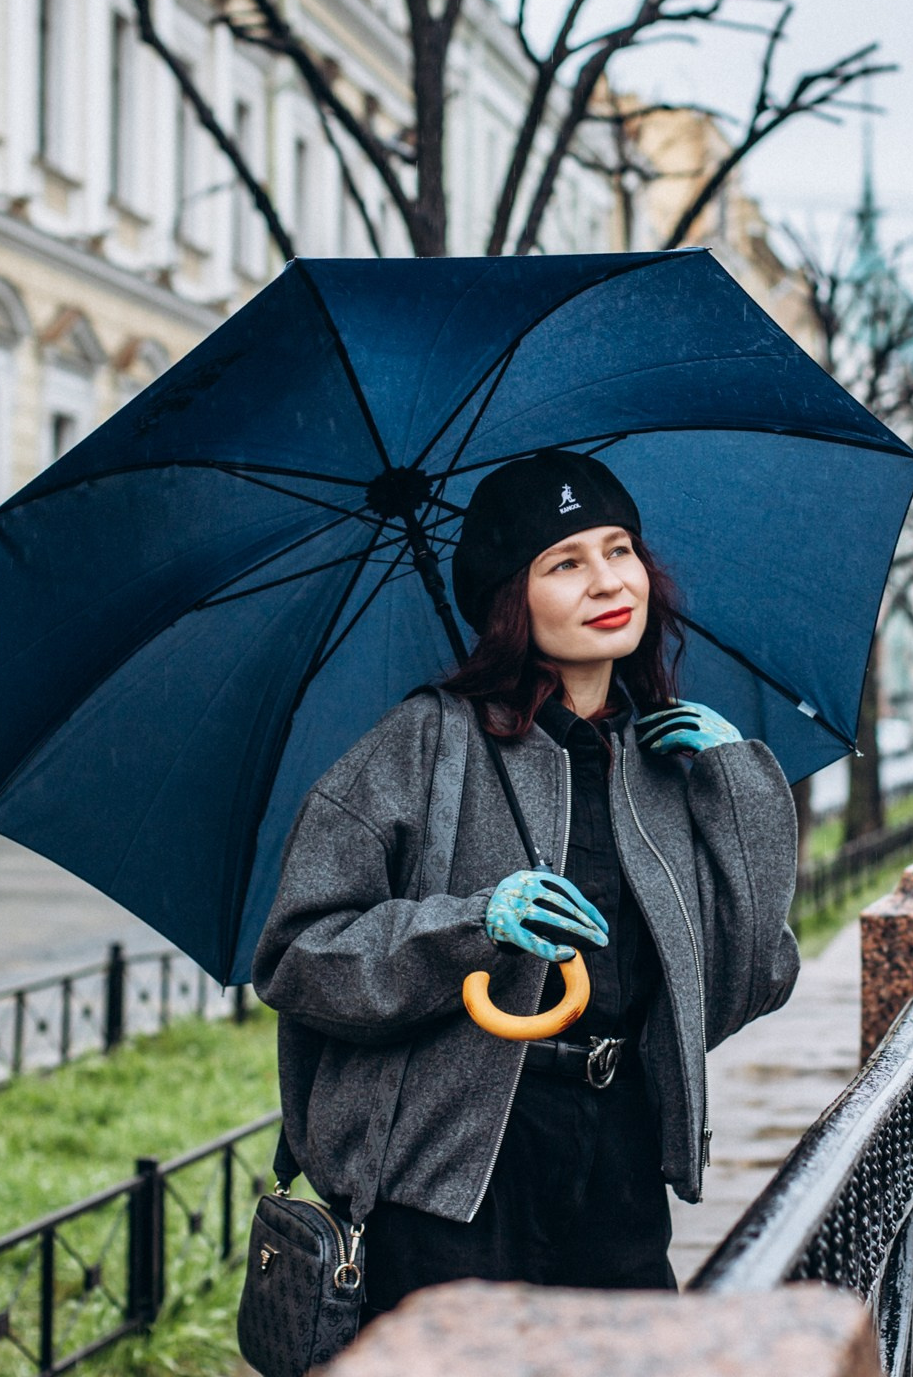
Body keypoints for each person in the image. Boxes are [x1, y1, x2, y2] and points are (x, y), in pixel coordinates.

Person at [255, 448, 801, 1314]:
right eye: (565, 563)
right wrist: (474, 925)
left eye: (620, 549)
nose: (606, 582)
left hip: (617, 1157)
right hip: (453, 1176)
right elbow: (298, 959)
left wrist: (740, 792)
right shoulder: (421, 745)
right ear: (512, 599)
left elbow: (751, 981)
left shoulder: (666, 764)